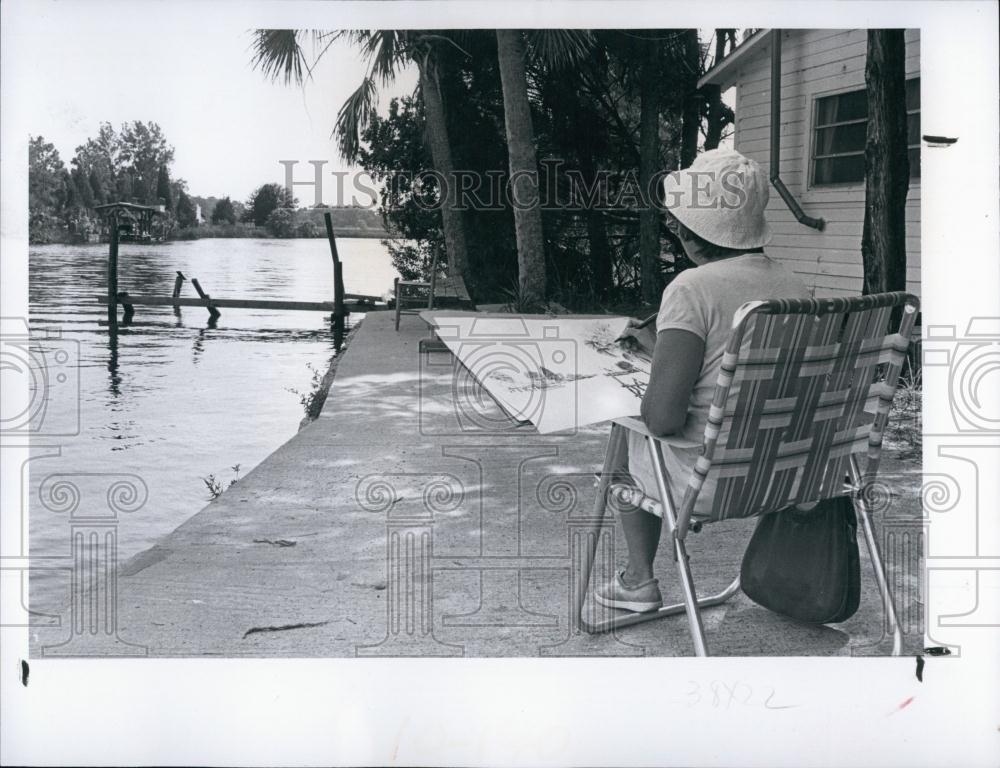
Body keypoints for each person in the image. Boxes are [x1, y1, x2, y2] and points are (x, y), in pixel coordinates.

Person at [595, 148, 812, 614]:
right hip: (788, 473)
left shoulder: (692, 288)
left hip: (710, 482)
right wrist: (660, 353)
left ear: (688, 229)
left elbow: (664, 419)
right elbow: (738, 367)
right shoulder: (794, 286)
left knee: (621, 445)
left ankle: (638, 582)